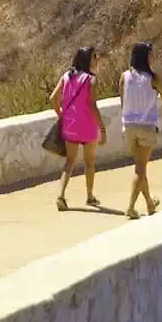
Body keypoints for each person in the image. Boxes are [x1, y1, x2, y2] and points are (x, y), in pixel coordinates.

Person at [119, 41, 162, 219]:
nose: (152, 57)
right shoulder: (154, 78)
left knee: (140, 167)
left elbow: (123, 101)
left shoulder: (124, 76)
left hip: (129, 126)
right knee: (140, 169)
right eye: (150, 54)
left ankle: (149, 203)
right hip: (146, 126)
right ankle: (130, 207)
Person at [50, 46, 106, 211]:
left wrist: (61, 115)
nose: (97, 59)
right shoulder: (91, 80)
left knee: (69, 162)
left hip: (70, 125)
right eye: (94, 57)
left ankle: (61, 195)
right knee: (89, 162)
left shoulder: (66, 76)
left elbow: (53, 98)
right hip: (87, 125)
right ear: (88, 60)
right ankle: (90, 196)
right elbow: (92, 105)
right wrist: (102, 128)